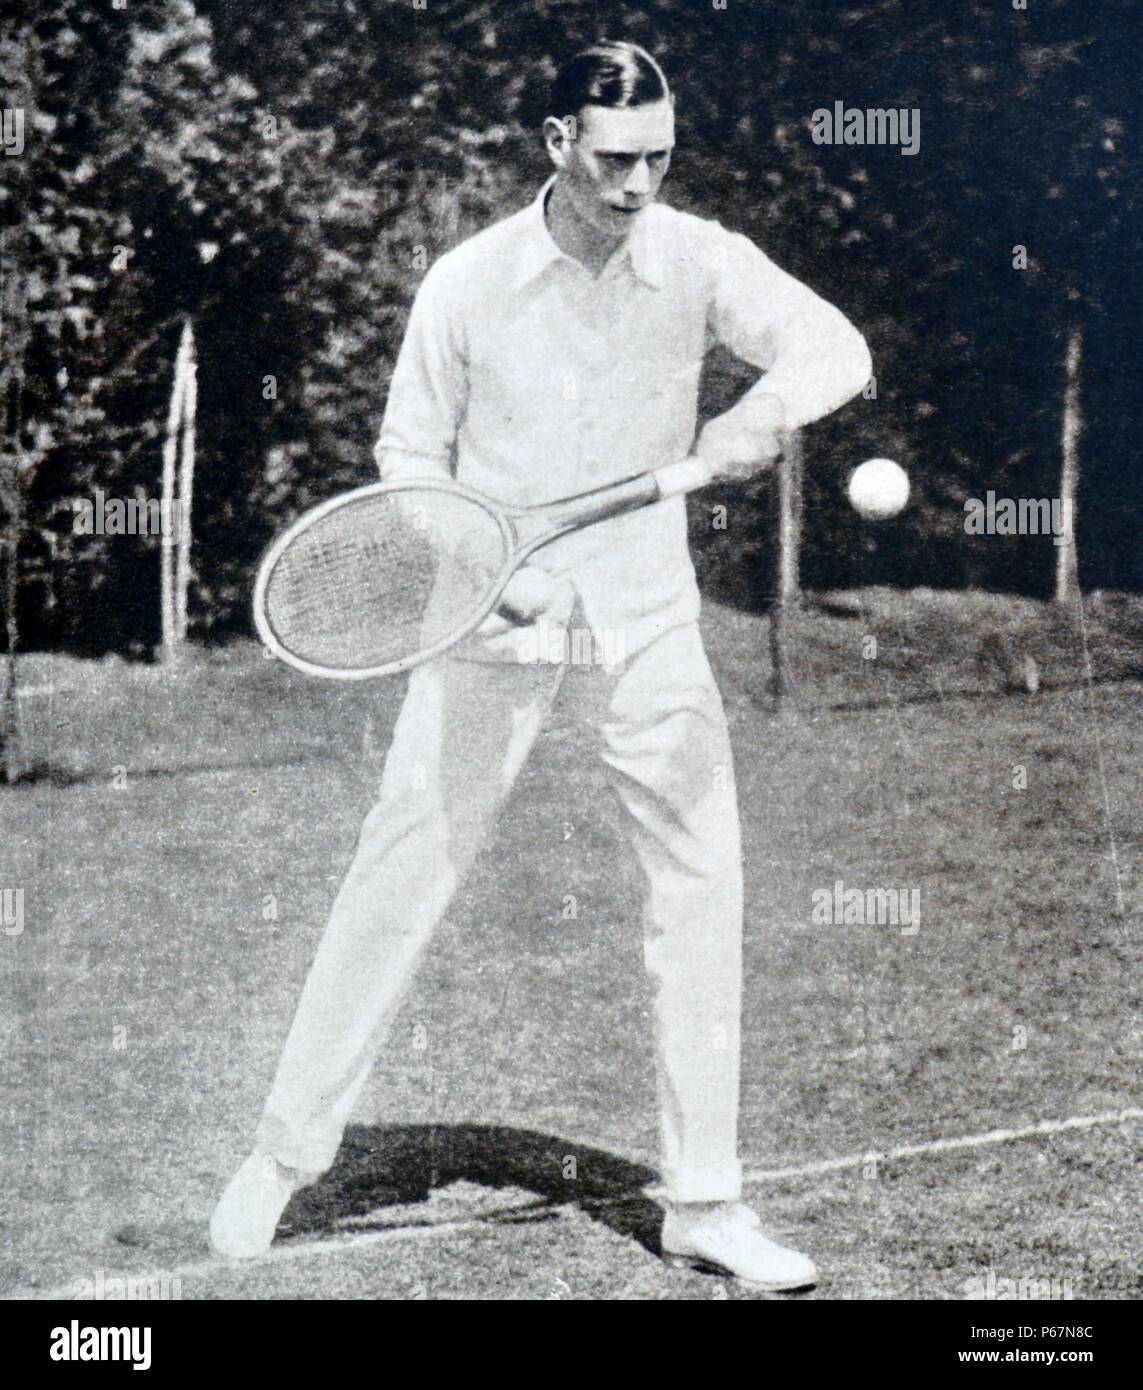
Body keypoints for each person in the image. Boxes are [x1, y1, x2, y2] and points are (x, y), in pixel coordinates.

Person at [212, 39, 871, 1290]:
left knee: (701, 888)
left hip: (650, 623)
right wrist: (483, 564)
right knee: (402, 873)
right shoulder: (465, 285)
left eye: (661, 158)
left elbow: (835, 349)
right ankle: (283, 1156)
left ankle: (705, 1201)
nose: (640, 186)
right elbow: (411, 457)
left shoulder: (699, 256)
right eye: (618, 159)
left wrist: (754, 416)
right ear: (555, 142)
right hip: (492, 623)